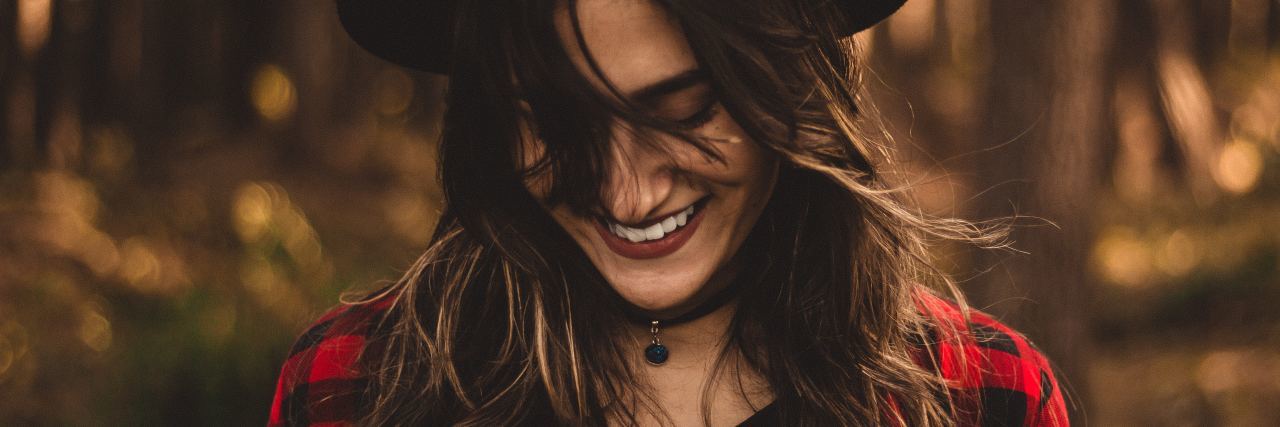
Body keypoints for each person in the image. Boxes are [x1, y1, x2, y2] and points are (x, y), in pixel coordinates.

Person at [269, 0, 1070, 425]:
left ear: (789, 91)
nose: (628, 193)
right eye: (555, 122)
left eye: (682, 110)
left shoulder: (981, 398)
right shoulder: (358, 385)